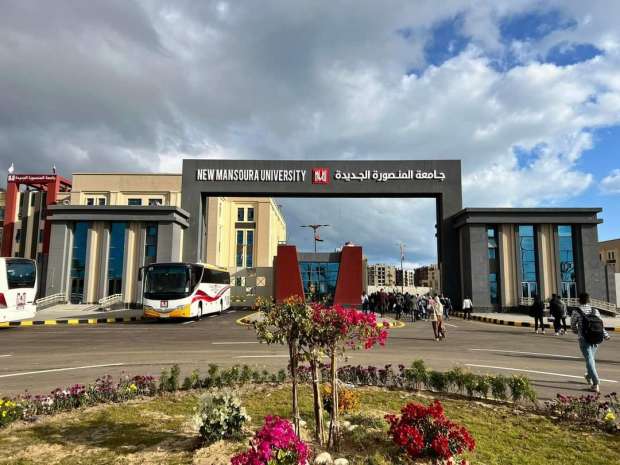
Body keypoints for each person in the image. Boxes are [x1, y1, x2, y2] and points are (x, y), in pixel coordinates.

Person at [571, 293, 610, 393]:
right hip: (596, 338)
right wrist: (606, 335)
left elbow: (573, 326)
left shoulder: (576, 311)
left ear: (579, 300)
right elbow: (600, 325)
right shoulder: (595, 310)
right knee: (590, 359)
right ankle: (588, 376)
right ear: (589, 300)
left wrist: (578, 332)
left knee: (589, 359)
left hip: (584, 339)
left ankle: (596, 383)